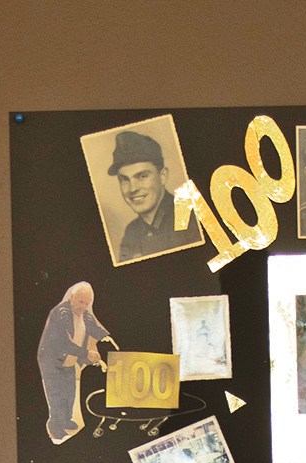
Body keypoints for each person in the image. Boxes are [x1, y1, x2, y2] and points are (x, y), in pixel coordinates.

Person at [38, 281, 113, 444]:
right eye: (80, 302)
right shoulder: (60, 313)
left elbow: (93, 327)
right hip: (53, 360)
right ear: (71, 298)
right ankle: (56, 429)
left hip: (70, 360)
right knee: (56, 395)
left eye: (87, 303)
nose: (84, 307)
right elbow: (62, 342)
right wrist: (87, 353)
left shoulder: (84, 313)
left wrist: (106, 337)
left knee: (70, 393)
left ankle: (66, 420)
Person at [111, 129, 197, 261]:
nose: (132, 189)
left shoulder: (189, 215)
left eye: (142, 176)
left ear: (162, 176)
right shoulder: (132, 231)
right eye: (125, 179)